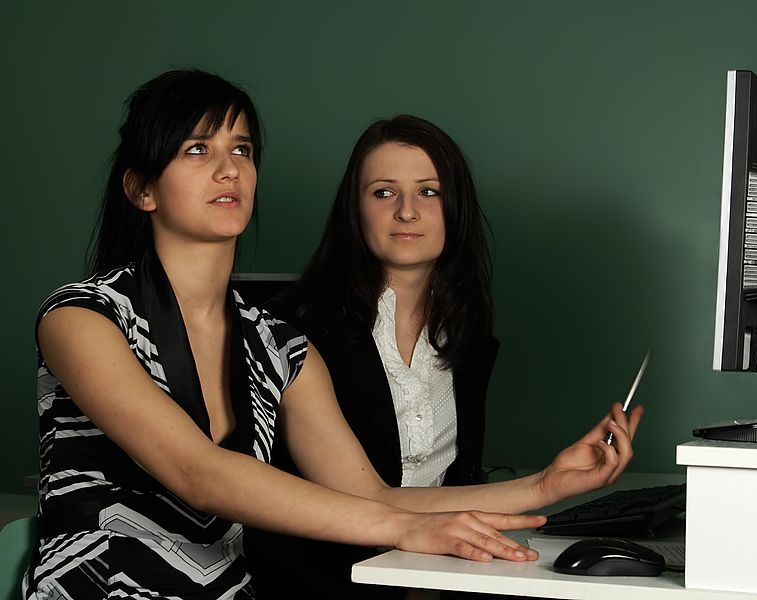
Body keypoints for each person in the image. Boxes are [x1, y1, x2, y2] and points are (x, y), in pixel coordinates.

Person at [24, 71, 558, 599]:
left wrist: (545, 485)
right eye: (196, 150)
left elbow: (372, 496)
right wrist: (400, 529)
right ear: (142, 189)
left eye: (241, 150)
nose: (228, 170)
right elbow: (197, 472)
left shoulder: (282, 347)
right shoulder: (81, 317)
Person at [246, 115, 644, 599]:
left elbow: (449, 491)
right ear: (354, 210)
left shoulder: (470, 342)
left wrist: (554, 482)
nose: (407, 212)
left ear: (456, 209)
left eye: (429, 192)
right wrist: (543, 487)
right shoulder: (292, 330)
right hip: (318, 586)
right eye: (383, 192)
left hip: (425, 581)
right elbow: (368, 501)